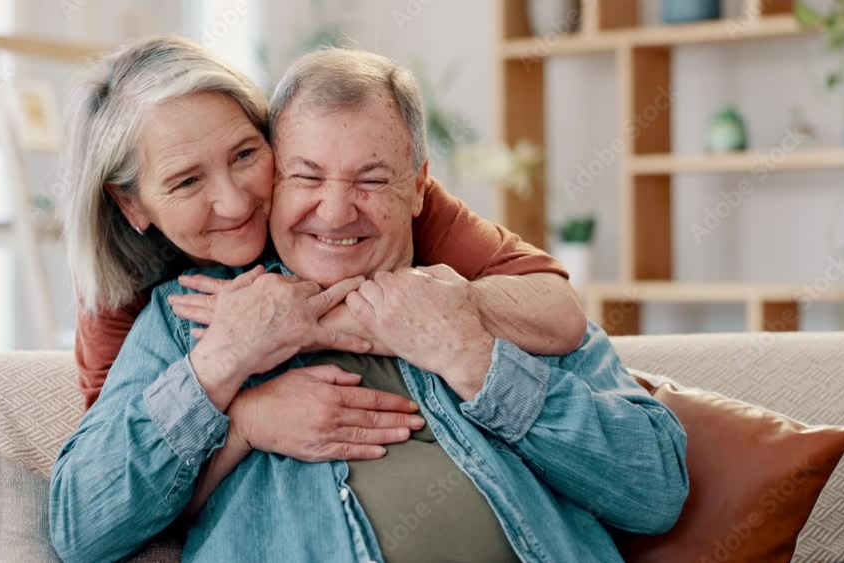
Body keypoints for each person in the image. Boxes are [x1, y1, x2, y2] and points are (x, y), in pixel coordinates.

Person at [50, 46, 689, 562]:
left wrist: (472, 357)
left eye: (373, 178)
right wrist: (225, 375)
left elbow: (655, 490)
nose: (334, 211)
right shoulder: (187, 317)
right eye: (306, 174)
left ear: (418, 186)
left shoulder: (491, 303)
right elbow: (82, 526)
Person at [66, 36, 587, 415]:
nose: (234, 201)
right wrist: (247, 421)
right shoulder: (118, 298)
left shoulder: (376, 202)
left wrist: (313, 325)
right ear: (130, 204)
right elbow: (131, 473)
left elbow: (559, 312)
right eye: (185, 182)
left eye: (246, 153)